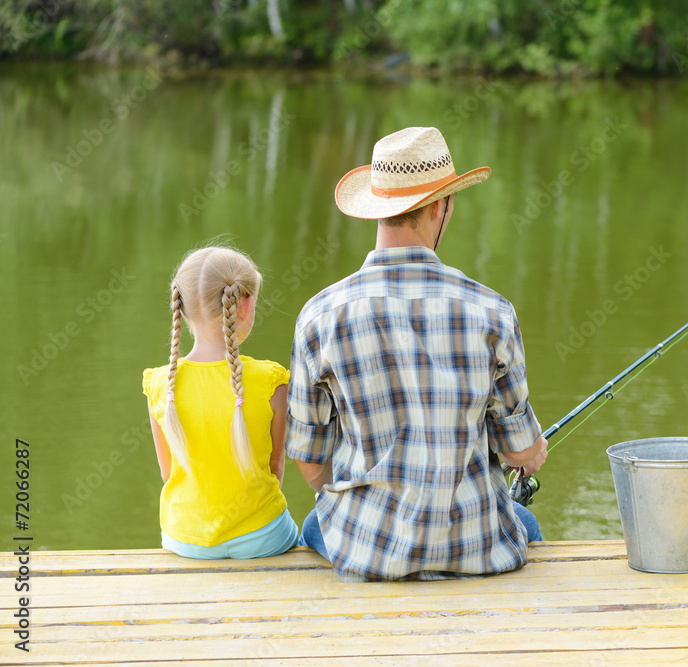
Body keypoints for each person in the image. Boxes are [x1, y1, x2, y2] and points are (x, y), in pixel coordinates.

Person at [287, 126, 547, 582]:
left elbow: (309, 463)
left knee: (315, 523)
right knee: (525, 524)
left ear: (378, 210)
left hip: (367, 551)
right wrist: (533, 451)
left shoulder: (320, 315)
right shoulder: (492, 311)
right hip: (475, 546)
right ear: (441, 206)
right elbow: (519, 450)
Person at [142, 246, 298, 559]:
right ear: (246, 304)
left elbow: (167, 472)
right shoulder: (272, 381)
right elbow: (276, 467)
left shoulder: (161, 384)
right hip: (263, 537)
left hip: (185, 540)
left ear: (181, 308)